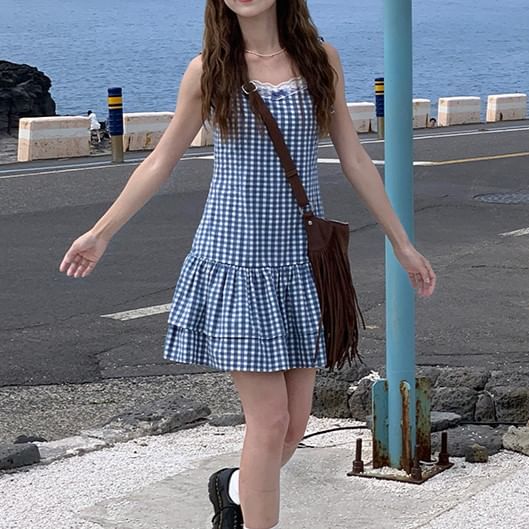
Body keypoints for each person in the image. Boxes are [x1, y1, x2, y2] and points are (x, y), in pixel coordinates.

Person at [59, 1, 437, 528]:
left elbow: (353, 157)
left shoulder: (320, 59)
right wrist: (101, 233)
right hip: (235, 260)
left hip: (299, 264)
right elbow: (162, 159)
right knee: (270, 421)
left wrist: (401, 242)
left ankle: (233, 487)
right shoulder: (209, 69)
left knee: (294, 427)